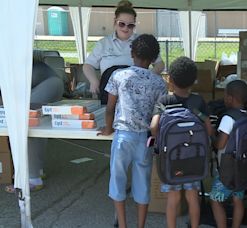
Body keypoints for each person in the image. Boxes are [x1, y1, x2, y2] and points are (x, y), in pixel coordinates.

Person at [98, 34, 167, 228]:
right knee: (142, 184)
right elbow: (159, 114)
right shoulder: (159, 83)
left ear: (132, 53)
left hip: (122, 136)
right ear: (154, 59)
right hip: (145, 139)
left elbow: (110, 108)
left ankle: (122, 225)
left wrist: (107, 128)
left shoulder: (118, 76)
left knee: (117, 181)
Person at [150, 56, 213, 228]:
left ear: (170, 79)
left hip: (171, 159)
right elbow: (208, 129)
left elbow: (154, 127)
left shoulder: (164, 101)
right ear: (194, 81)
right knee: (193, 197)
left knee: (173, 198)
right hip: (193, 159)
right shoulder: (198, 101)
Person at [83, 0, 165, 101]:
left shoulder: (142, 41)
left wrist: (146, 79)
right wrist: (94, 81)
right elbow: (88, 65)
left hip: (136, 97)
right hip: (108, 95)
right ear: (115, 22)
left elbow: (160, 64)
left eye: (130, 25)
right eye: (122, 24)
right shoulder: (103, 43)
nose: (126, 28)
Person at [5, 60, 64, 193]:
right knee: (38, 128)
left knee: (27, 126)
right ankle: (37, 170)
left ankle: (33, 178)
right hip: (51, 82)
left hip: (47, 83)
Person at [210, 80, 247, 228]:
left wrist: (212, 137)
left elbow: (220, 143)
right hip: (243, 169)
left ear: (230, 98)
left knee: (215, 200)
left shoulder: (228, 118)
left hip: (227, 170)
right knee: (238, 200)